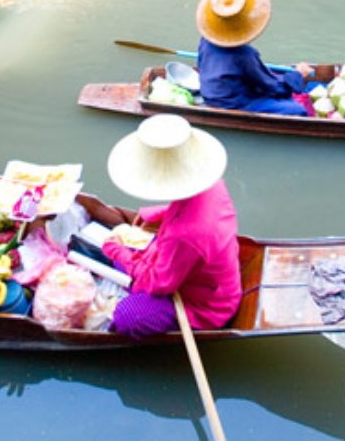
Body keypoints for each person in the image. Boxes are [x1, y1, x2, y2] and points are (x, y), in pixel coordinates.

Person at [102, 114, 242, 339]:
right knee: (127, 256)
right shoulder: (211, 184)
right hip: (213, 274)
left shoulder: (183, 235)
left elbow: (159, 284)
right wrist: (155, 213)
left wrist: (118, 252)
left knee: (127, 316)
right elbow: (188, 207)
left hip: (208, 304)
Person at [194, 0, 315, 117]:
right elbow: (270, 86)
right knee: (297, 110)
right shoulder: (244, 54)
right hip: (234, 103)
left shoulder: (207, 39)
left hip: (211, 94)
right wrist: (298, 75)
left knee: (275, 74)